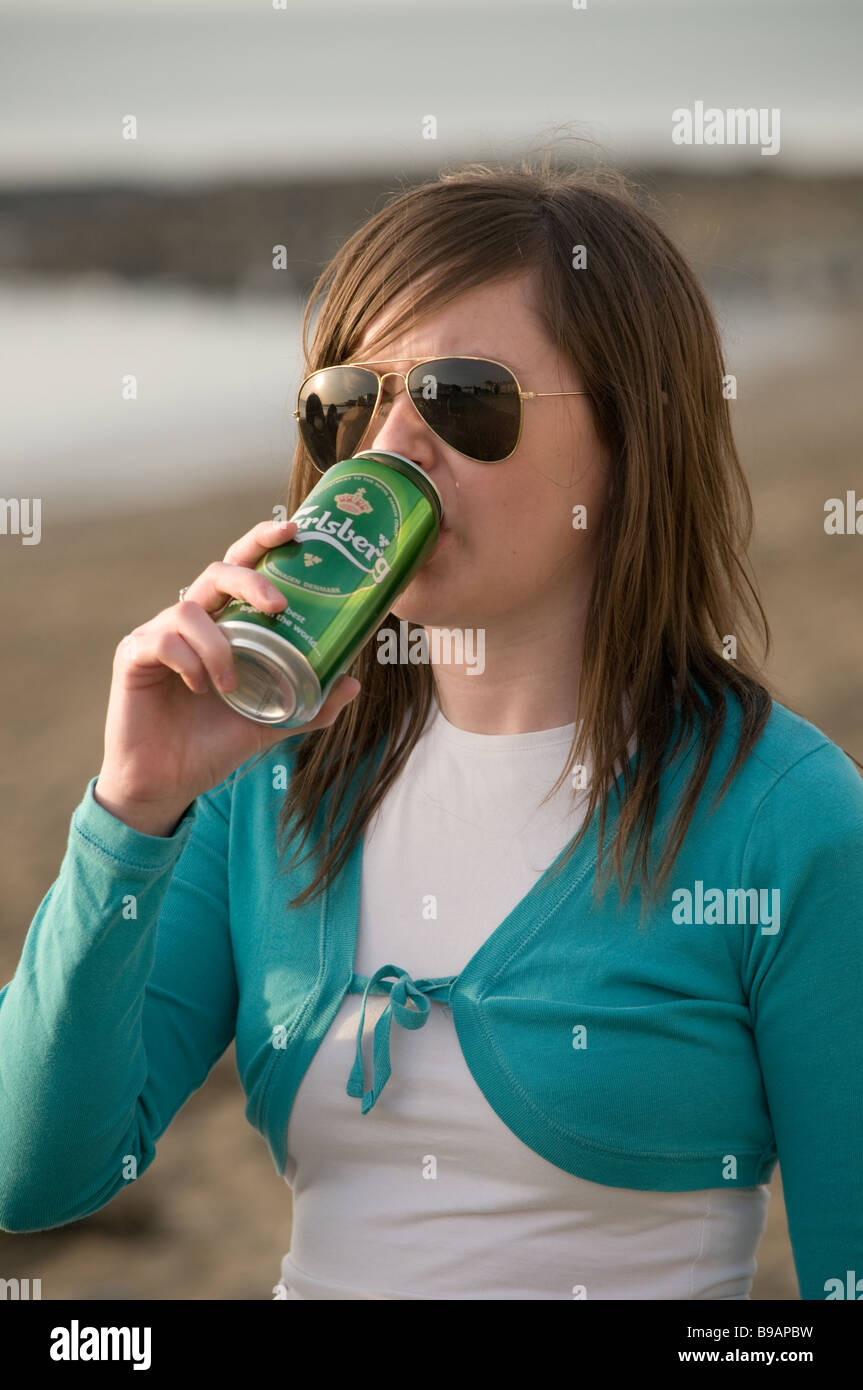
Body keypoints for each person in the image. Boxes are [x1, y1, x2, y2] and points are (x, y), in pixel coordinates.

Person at [1, 159, 861, 1301]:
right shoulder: (265, 781)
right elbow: (36, 1172)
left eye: (463, 397)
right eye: (347, 401)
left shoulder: (782, 816)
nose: (389, 445)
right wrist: (133, 807)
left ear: (630, 433)